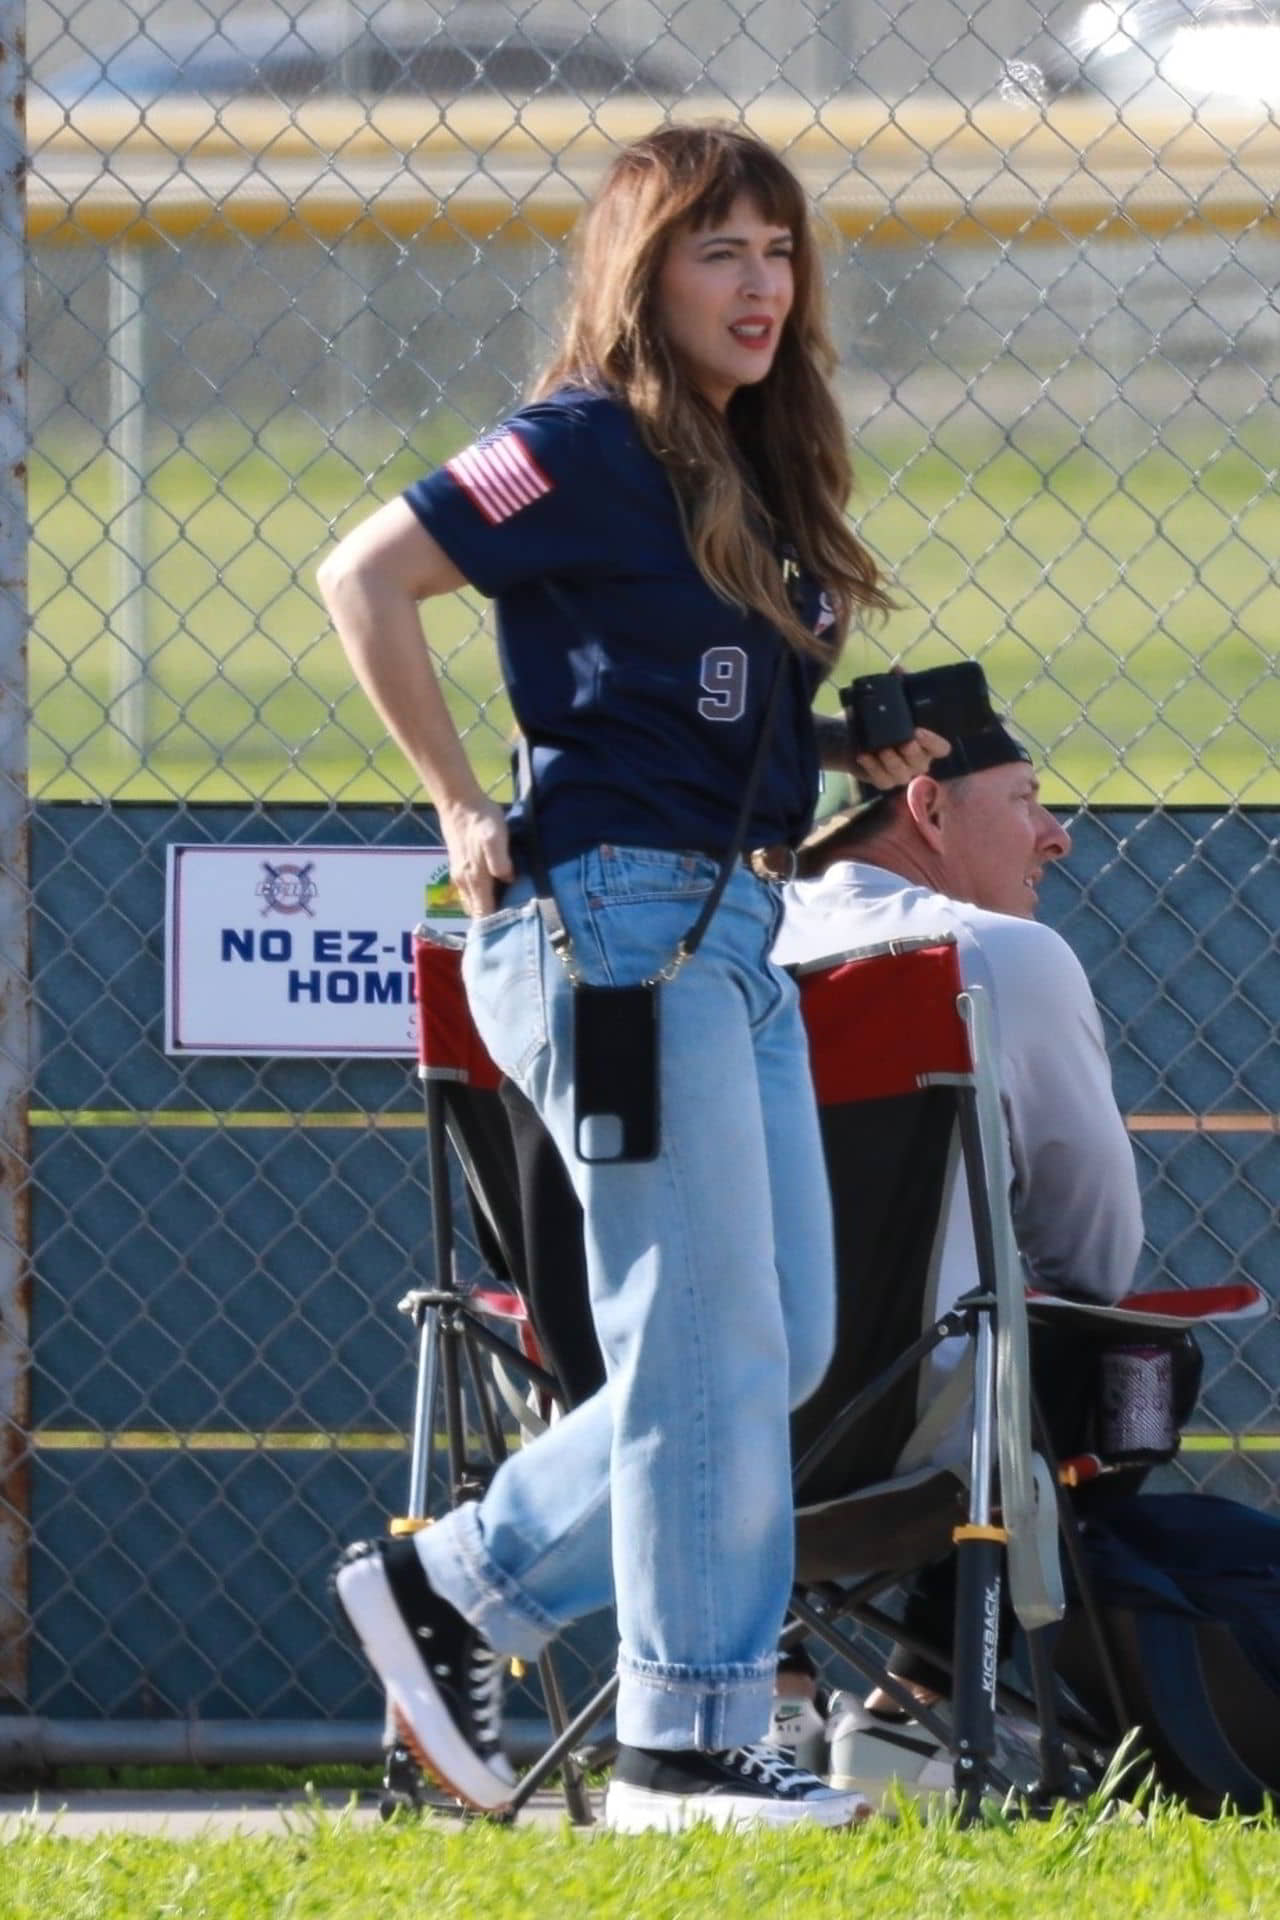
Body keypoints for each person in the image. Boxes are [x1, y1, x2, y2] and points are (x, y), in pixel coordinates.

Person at [317, 122, 946, 1833]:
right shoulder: (579, 442)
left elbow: (684, 713)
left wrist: (846, 758)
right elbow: (362, 577)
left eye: (780, 251)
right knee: (699, 1345)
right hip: (613, 929)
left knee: (780, 1344)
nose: (763, 284)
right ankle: (684, 1740)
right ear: (641, 272)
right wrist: (458, 800)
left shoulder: (748, 470)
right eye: (719, 250)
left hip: (730, 935)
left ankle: (455, 1584)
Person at [773, 667, 1144, 1742]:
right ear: (925, 805)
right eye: (1025, 798)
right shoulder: (993, 956)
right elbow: (1094, 1260)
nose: (1056, 835)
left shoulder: (696, 961)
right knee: (1128, 1363)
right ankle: (915, 1706)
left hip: (666, 1430)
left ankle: (766, 1682)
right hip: (918, 1441)